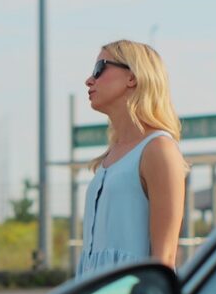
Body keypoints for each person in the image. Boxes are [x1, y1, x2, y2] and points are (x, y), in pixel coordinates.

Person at [76, 39, 187, 279]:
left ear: (132, 77)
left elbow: (164, 258)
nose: (89, 80)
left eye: (100, 69)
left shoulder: (159, 149)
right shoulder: (111, 155)